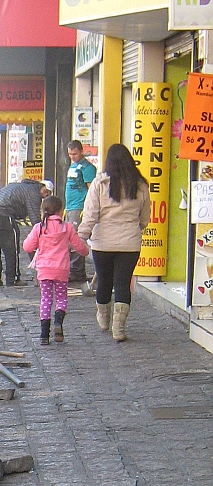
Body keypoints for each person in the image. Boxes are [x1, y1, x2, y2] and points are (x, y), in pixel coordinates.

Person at [78, 143, 150, 342]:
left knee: (104, 281)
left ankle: (103, 318)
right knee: (122, 284)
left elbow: (90, 215)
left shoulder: (99, 183)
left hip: (103, 243)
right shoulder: (141, 185)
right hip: (130, 243)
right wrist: (135, 229)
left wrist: (80, 237)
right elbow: (144, 218)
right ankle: (119, 329)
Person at [22, 195, 89, 345]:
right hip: (62, 270)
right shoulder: (67, 227)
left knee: (46, 299)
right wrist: (86, 251)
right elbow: (79, 247)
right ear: (61, 211)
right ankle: (58, 321)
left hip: (44, 270)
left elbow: (27, 247)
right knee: (61, 298)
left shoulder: (39, 228)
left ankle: (44, 334)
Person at [0, 177, 53, 286]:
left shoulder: (22, 186)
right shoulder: (34, 193)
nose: (45, 195)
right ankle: (13, 278)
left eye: (48, 194)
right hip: (4, 215)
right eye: (46, 192)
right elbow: (35, 219)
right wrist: (43, 235)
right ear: (41, 186)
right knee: (12, 248)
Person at [64, 140, 97, 281]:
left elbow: (92, 189)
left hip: (79, 206)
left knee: (76, 239)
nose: (72, 156)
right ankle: (76, 269)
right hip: (70, 206)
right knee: (69, 237)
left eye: (75, 154)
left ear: (81, 151)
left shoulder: (87, 168)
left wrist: (87, 207)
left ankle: (76, 271)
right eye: (70, 154)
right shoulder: (73, 166)